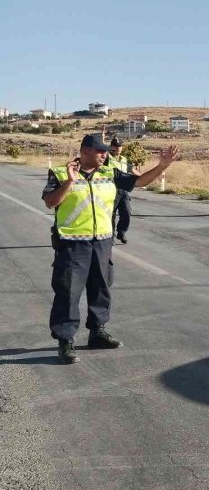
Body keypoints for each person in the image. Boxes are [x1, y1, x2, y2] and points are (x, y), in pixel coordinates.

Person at [42, 133, 178, 364]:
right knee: (68, 293)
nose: (104, 154)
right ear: (84, 150)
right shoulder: (60, 172)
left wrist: (161, 166)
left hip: (103, 242)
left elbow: (140, 182)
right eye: (99, 150)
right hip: (73, 244)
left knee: (101, 288)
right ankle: (66, 341)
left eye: (106, 150)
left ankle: (97, 332)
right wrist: (70, 181)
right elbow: (50, 202)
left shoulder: (109, 172)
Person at [105, 137, 133, 244]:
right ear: (111, 147)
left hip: (123, 190)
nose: (118, 148)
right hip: (110, 190)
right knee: (110, 214)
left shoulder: (124, 160)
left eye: (120, 146)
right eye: (116, 146)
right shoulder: (107, 158)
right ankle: (110, 236)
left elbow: (132, 171)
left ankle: (121, 232)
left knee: (126, 212)